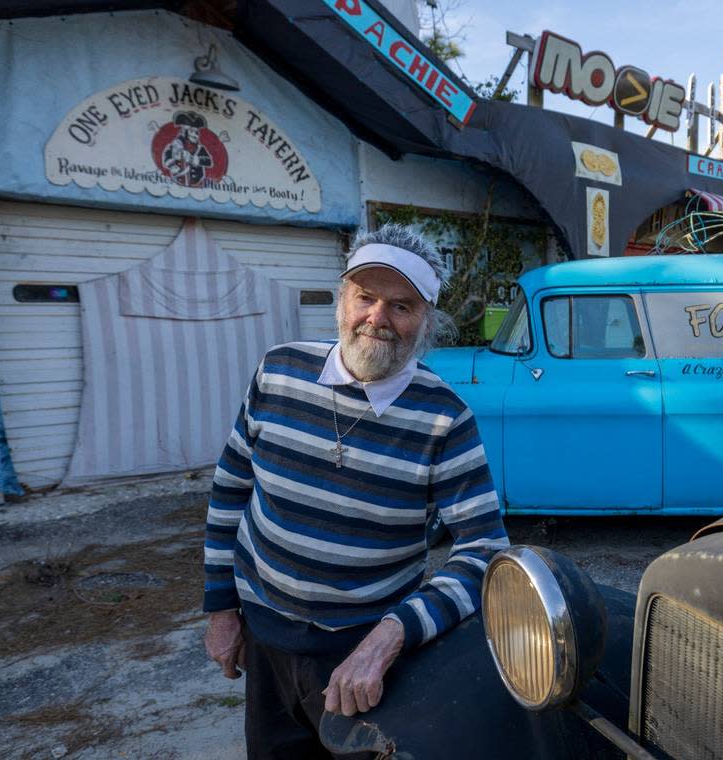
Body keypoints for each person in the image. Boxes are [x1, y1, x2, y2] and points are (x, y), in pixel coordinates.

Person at [202, 224, 509, 758]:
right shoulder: (278, 372)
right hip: (266, 639)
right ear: (341, 300)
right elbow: (231, 489)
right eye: (365, 297)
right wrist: (222, 610)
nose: (378, 318)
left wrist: (392, 636)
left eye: (401, 306)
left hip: (365, 654)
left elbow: (484, 551)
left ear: (426, 322)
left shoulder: (445, 418)